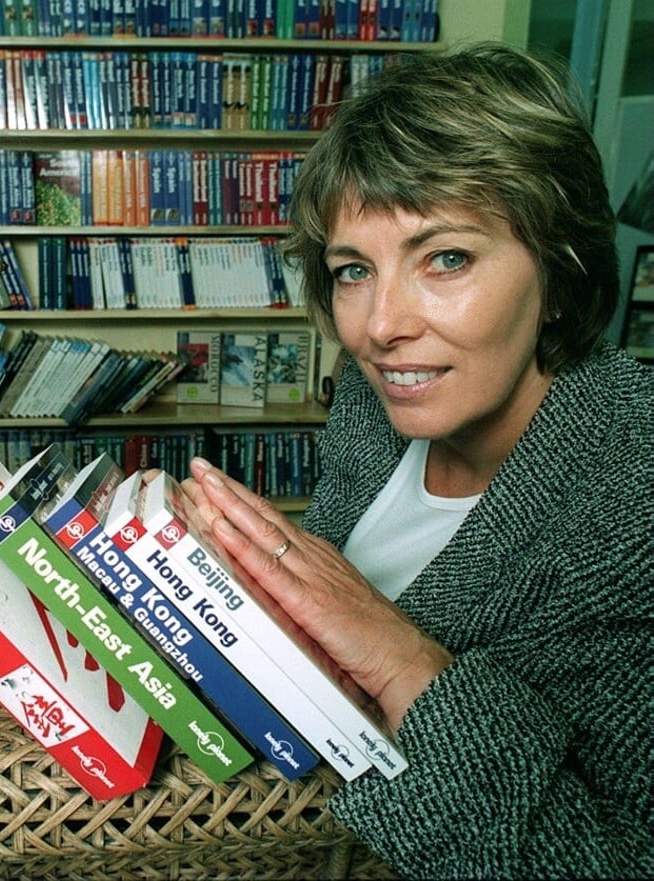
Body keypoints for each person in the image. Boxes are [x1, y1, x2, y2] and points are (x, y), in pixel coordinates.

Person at [182, 44, 652, 879]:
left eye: (447, 258)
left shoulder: (632, 492)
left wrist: (402, 658)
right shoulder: (372, 411)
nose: (380, 326)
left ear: (560, 266)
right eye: (354, 271)